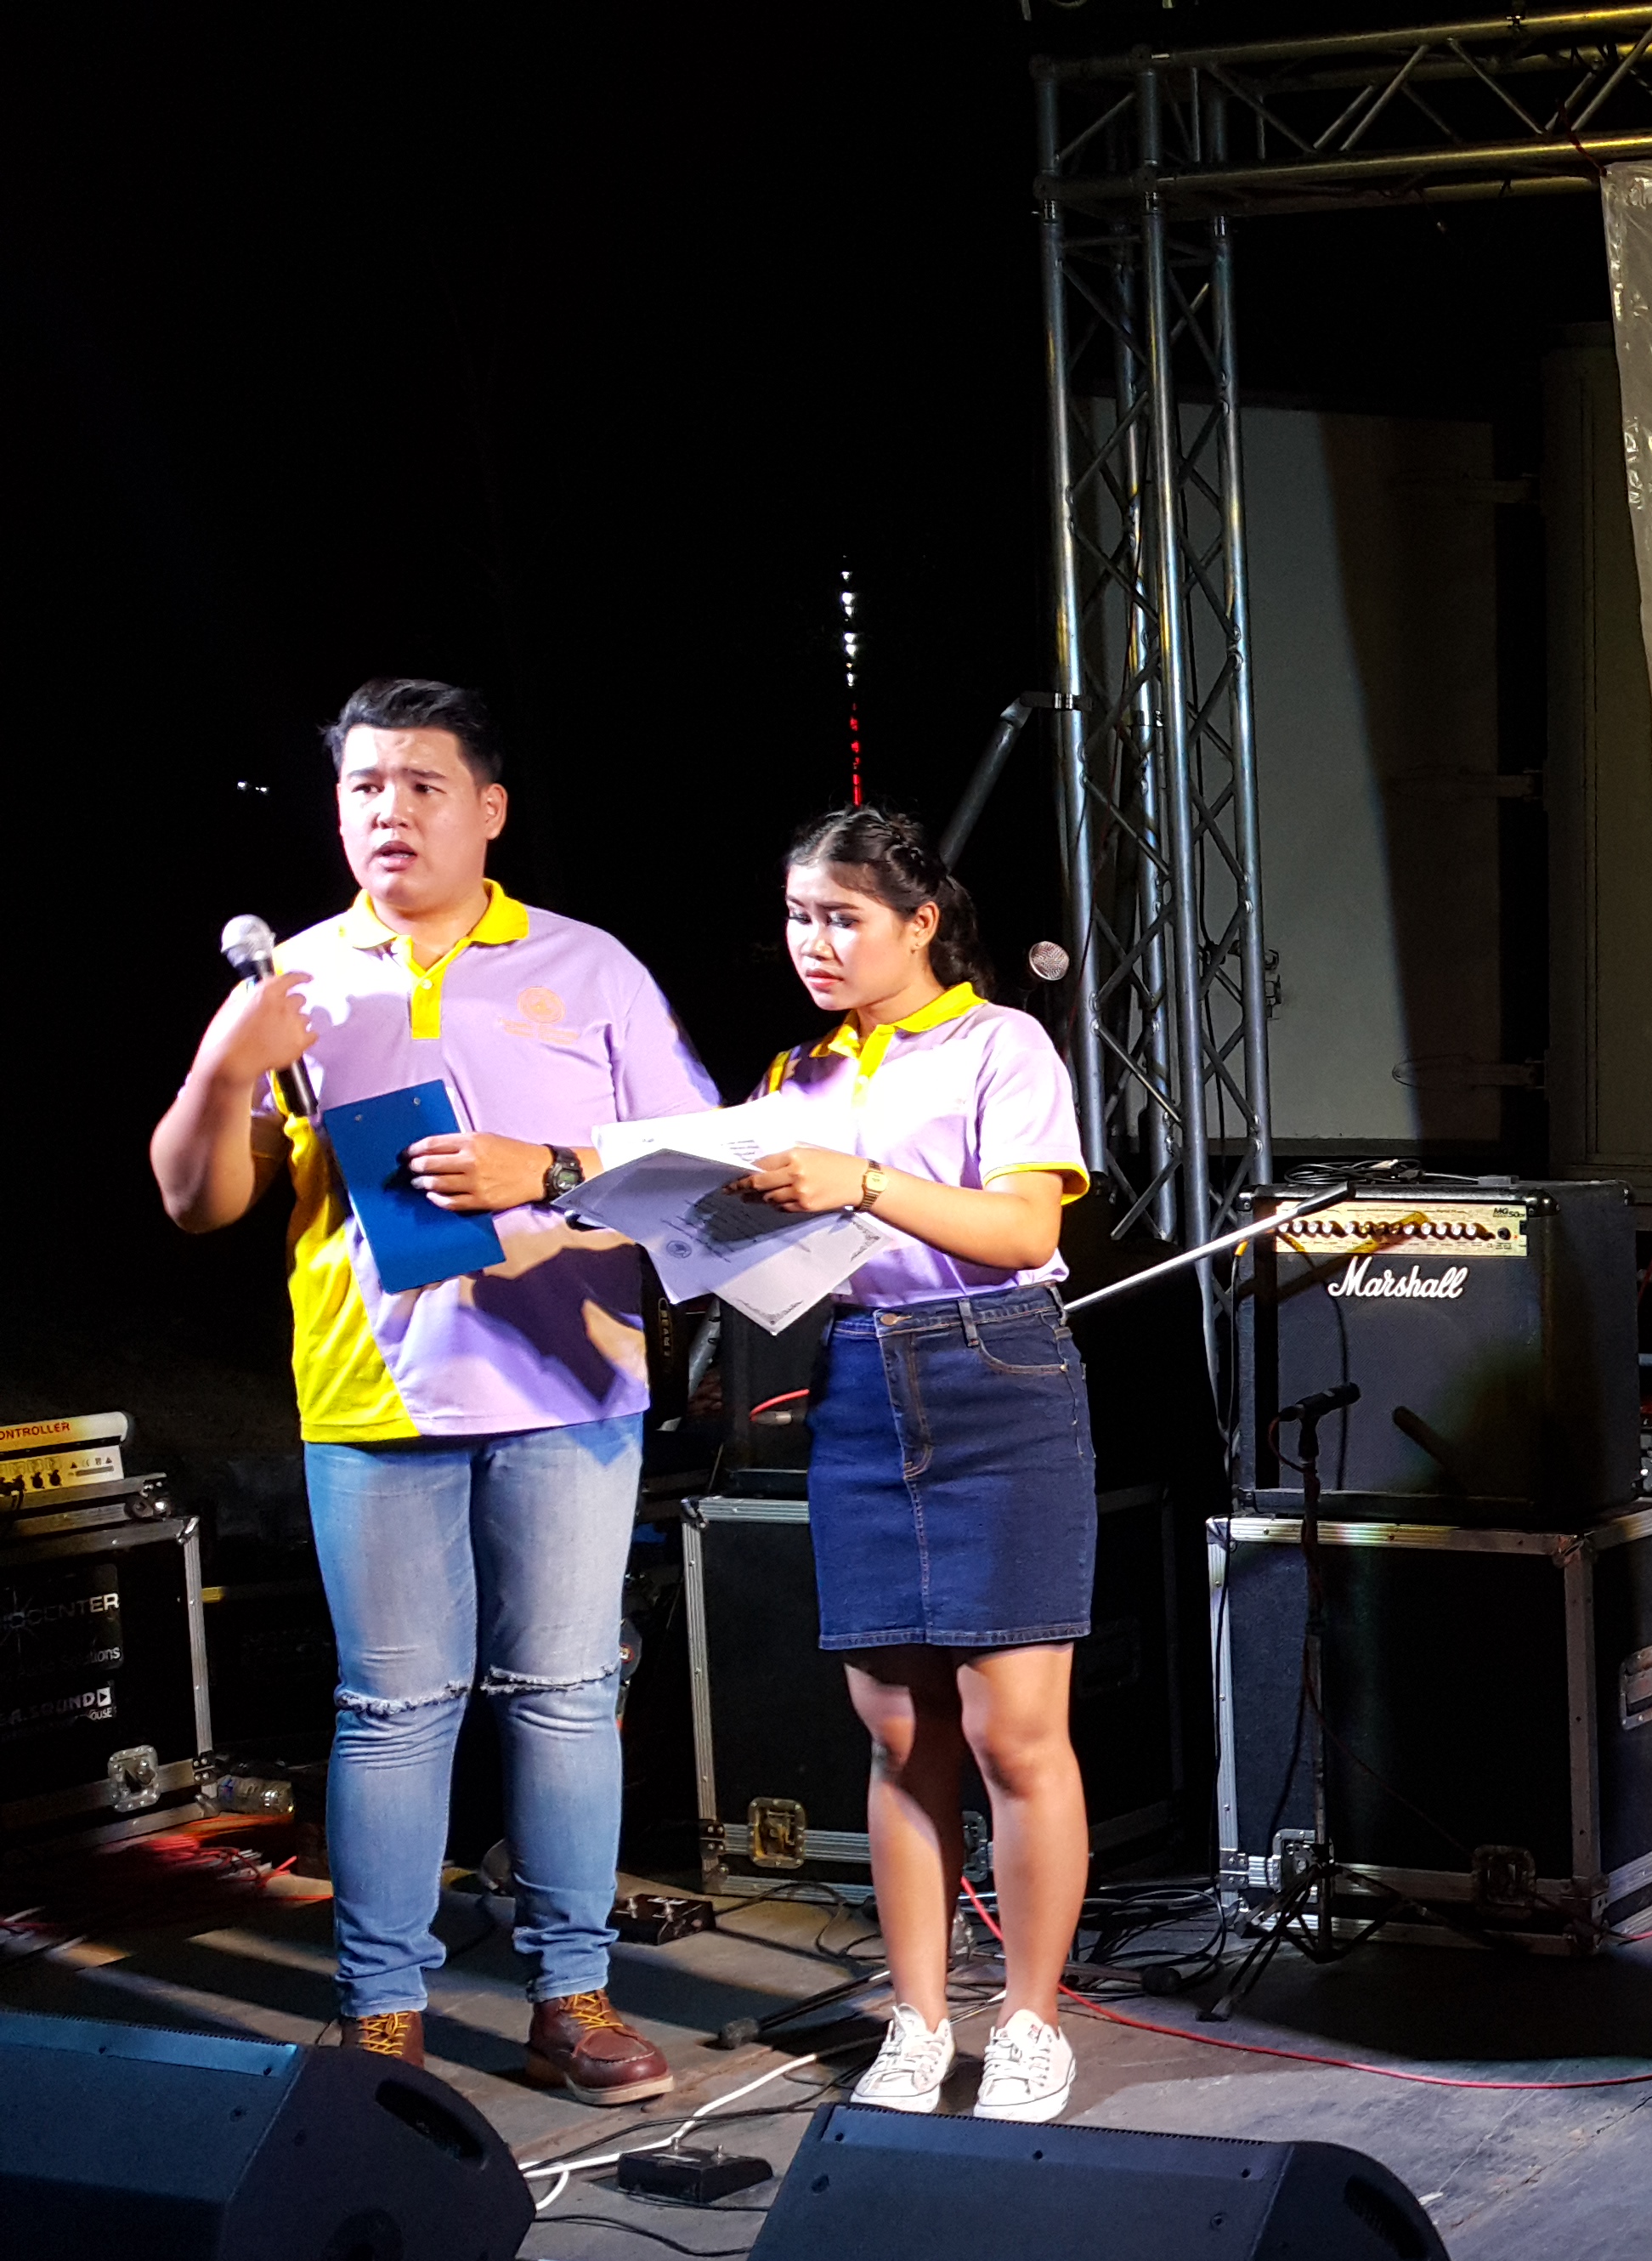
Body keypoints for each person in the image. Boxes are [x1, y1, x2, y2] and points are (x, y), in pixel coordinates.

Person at [146, 677, 713, 2103]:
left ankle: (571, 1996)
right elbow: (196, 1202)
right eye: (363, 787)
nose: (388, 811)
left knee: (566, 1695)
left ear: (490, 808)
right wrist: (223, 1069)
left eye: (421, 784)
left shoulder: (589, 967)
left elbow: (701, 1168)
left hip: (569, 1385)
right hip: (375, 1394)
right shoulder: (295, 984)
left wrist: (550, 1177)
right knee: (393, 1710)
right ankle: (382, 2016)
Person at [727, 808, 1102, 2124]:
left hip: (996, 1372)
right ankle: (920, 2019)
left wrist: (862, 1181)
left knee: (1014, 1731)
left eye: (842, 917)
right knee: (898, 1731)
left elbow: (1023, 1230)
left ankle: (1032, 2022)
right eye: (797, 917)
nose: (814, 942)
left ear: (920, 922)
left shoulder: (1001, 1043)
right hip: (858, 1384)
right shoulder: (798, 1071)